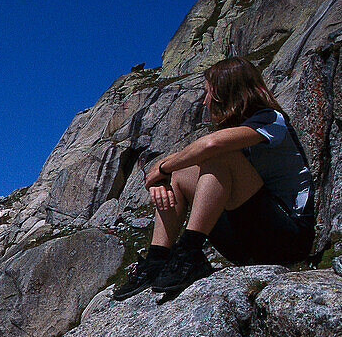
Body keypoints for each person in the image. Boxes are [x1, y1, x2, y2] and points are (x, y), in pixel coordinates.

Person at [112, 56, 315, 301]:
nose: (205, 101)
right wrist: (161, 180)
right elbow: (184, 158)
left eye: (209, 93)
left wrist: (163, 169)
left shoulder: (272, 119)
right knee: (182, 172)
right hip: (248, 240)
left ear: (226, 93)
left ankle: (189, 252)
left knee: (216, 156)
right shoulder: (235, 130)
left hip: (288, 238)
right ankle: (156, 260)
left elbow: (210, 145)